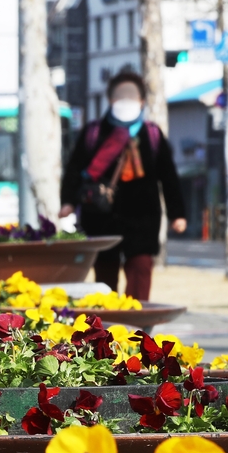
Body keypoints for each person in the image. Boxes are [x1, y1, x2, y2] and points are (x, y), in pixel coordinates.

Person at [59, 71, 186, 301]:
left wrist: (178, 214)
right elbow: (73, 170)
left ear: (142, 101)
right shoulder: (93, 132)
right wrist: (68, 201)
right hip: (100, 216)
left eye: (132, 96)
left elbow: (169, 177)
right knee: (105, 276)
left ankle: (137, 327)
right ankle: (107, 330)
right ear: (110, 100)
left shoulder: (152, 134)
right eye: (121, 96)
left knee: (141, 269)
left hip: (143, 218)